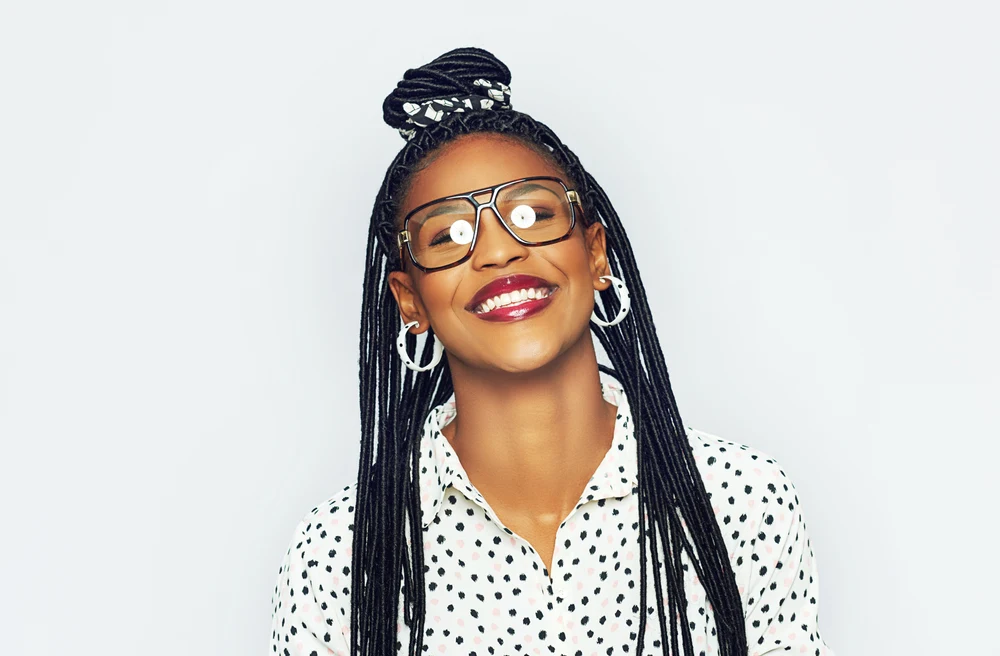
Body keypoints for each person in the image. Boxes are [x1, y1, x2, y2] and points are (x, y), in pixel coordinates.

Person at [269, 47, 835, 656]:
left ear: (596, 255)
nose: (498, 251)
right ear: (410, 300)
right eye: (449, 234)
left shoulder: (741, 502)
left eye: (532, 213)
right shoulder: (338, 558)